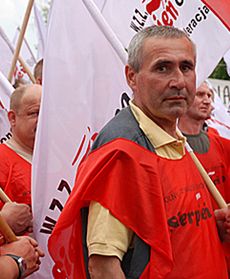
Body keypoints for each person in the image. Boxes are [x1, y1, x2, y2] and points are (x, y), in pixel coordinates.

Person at [48, 25, 230, 278]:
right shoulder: (122, 153)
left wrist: (213, 229)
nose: (178, 81)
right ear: (132, 77)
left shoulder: (173, 135)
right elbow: (103, 265)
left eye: (186, 67)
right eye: (162, 68)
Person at [178, 81, 230, 209]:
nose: (207, 101)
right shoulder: (170, 147)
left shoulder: (223, 145)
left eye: (209, 95)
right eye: (200, 95)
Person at [0, 84, 41, 208]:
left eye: (47, 114)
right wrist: (5, 220)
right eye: (34, 113)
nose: (42, 120)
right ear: (12, 118)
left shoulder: (67, 157)